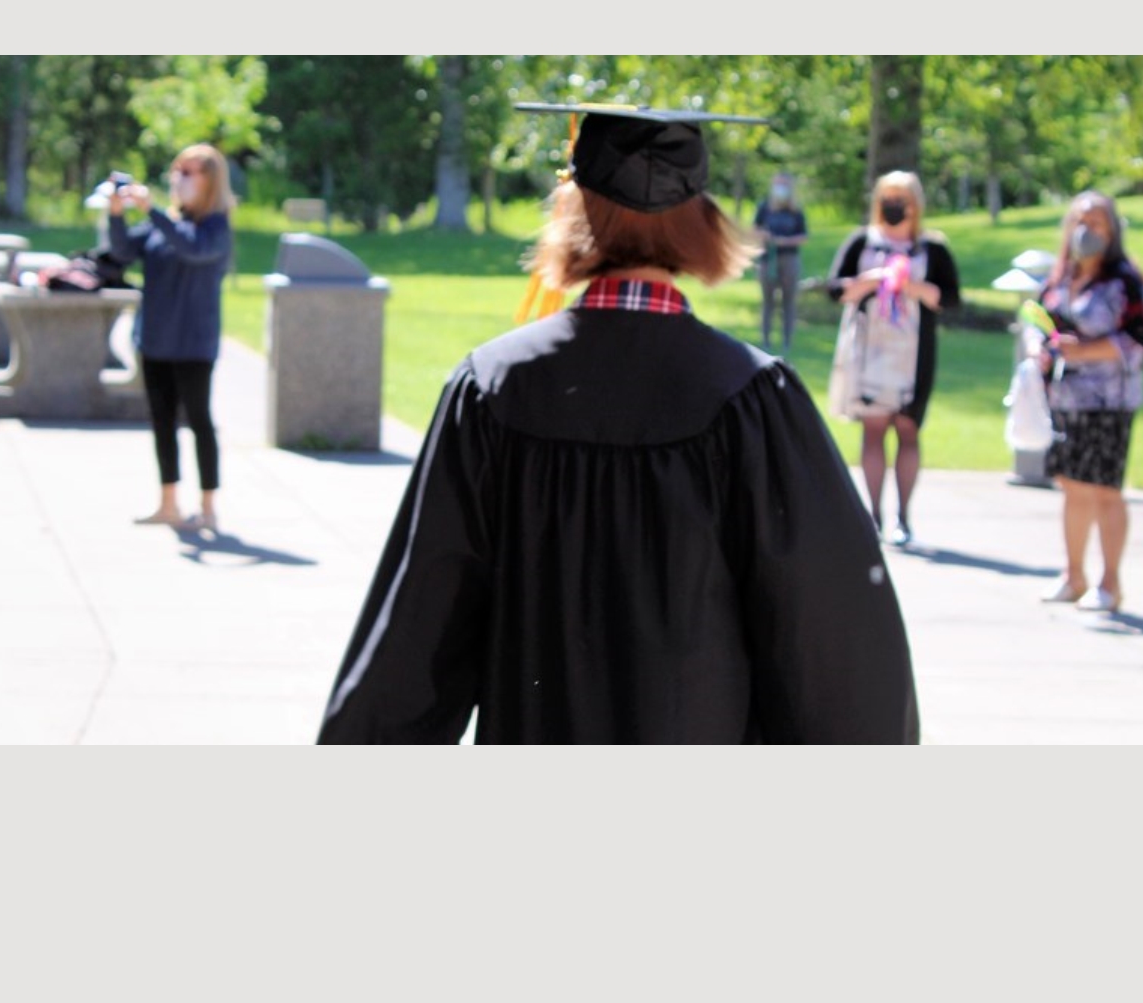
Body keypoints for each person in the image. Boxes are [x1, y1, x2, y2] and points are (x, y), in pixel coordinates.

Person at [319, 107, 916, 743]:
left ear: (572, 210)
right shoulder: (752, 397)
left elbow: (420, 627)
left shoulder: (494, 388)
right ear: (700, 219)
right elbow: (827, 638)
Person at [98, 145, 237, 538]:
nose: (179, 178)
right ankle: (168, 503)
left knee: (199, 421)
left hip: (193, 343)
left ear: (211, 180)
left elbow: (192, 248)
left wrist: (152, 210)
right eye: (177, 170)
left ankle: (208, 508)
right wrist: (116, 213)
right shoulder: (164, 224)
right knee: (162, 422)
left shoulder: (216, 227)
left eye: (189, 172)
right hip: (155, 340)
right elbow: (122, 251)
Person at [822, 169, 961, 548]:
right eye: (889, 199)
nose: (895, 207)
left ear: (916, 205)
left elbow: (950, 298)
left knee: (907, 429)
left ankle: (903, 516)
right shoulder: (862, 243)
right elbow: (836, 289)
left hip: (913, 356)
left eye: (903, 200)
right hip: (869, 354)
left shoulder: (932, 249)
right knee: (873, 431)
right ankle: (873, 516)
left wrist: (910, 285)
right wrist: (872, 279)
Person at [1037, 191, 1143, 613]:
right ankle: (1073, 575)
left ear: (1112, 230)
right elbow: (1042, 323)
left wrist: (1085, 351)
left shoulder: (1124, 281)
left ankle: (1110, 583)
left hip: (1110, 401)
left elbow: (1141, 336)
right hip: (1066, 398)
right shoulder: (1060, 277)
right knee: (1072, 486)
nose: (1086, 230)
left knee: (1105, 489)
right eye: (1080, 221)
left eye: (1096, 222)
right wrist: (1043, 351)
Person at [755, 170, 808, 352]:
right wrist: (765, 236)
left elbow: (804, 236)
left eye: (784, 184)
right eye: (778, 184)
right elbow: (755, 229)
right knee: (768, 301)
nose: (780, 188)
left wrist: (784, 241)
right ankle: (765, 340)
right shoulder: (764, 208)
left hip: (789, 258)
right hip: (768, 259)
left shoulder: (796, 211)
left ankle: (787, 341)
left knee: (788, 301)